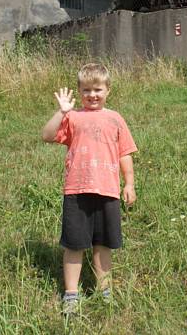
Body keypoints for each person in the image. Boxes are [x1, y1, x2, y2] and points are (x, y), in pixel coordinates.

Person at [41, 63, 137, 314]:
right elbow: (47, 136)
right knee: (74, 244)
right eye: (86, 90)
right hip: (77, 191)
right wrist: (61, 113)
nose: (92, 95)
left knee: (103, 244)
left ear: (108, 90)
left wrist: (129, 183)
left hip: (107, 192)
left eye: (97, 89)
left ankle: (104, 290)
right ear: (79, 91)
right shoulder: (73, 117)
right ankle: (71, 293)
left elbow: (124, 153)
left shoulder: (115, 118)